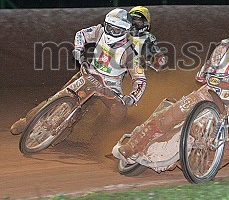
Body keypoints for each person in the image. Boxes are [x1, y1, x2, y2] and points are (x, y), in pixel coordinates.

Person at [113, 20, 229, 171]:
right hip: (204, 95)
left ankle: (205, 167)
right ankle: (130, 148)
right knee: (166, 118)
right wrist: (207, 73)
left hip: (227, 111)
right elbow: (204, 71)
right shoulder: (225, 48)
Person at [10, 8, 147, 135]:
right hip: (88, 74)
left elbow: (140, 78)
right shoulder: (100, 31)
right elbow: (81, 34)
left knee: (119, 112)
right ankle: (29, 121)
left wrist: (133, 97)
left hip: (109, 88)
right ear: (105, 24)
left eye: (116, 30)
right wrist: (78, 48)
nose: (111, 32)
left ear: (125, 31)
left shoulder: (131, 53)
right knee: (59, 96)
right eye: (109, 27)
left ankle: (98, 137)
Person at [128, 6, 167, 72]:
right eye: (132, 22)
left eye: (138, 23)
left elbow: (159, 57)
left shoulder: (148, 37)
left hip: (138, 70)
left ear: (145, 24)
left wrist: (153, 62)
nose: (134, 25)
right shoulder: (121, 33)